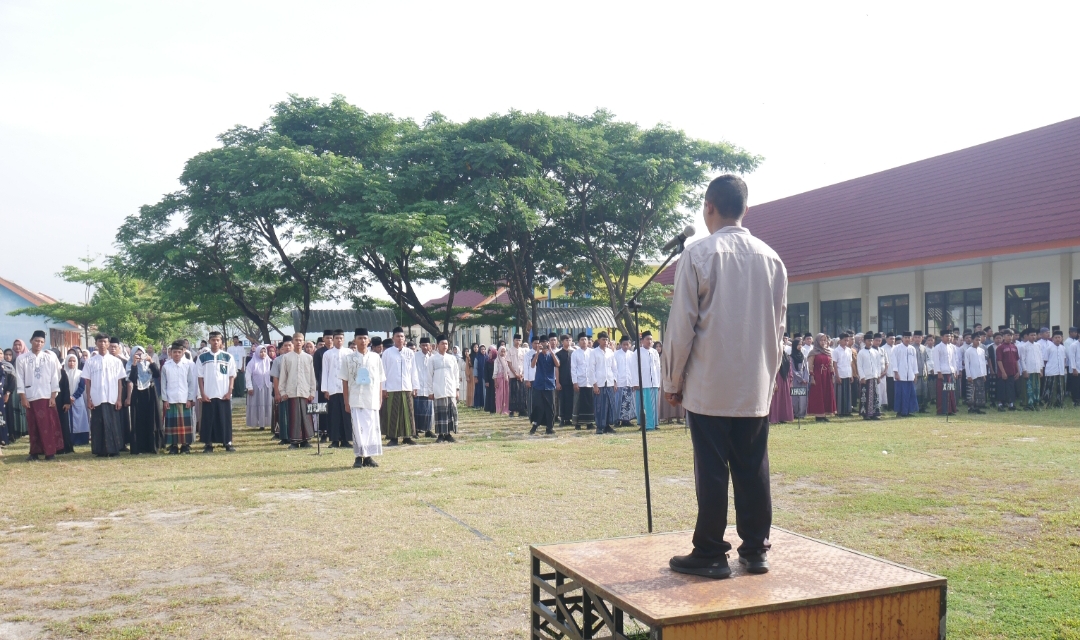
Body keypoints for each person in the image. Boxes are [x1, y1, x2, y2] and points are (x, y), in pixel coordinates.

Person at [664, 174, 787, 579]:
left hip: (708, 384)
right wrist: (766, 380)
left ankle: (711, 551)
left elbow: (682, 327)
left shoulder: (698, 256)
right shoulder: (772, 259)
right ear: (745, 209)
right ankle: (755, 549)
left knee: (712, 469)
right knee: (753, 467)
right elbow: (778, 330)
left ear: (708, 207)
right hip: (753, 384)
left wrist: (672, 381)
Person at [16, 330, 64, 461]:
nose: (39, 344)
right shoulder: (22, 359)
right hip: (30, 396)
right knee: (33, 425)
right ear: (31, 341)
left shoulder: (49, 357)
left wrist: (53, 396)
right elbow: (19, 378)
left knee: (48, 425)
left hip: (46, 395)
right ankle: (34, 453)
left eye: (42, 342)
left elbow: (55, 377)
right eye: (36, 341)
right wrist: (23, 397)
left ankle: (50, 453)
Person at [341, 328, 385, 467]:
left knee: (371, 428)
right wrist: (346, 401)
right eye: (359, 338)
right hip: (355, 397)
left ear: (369, 340)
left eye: (365, 338)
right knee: (358, 428)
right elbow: (345, 380)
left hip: (371, 397)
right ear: (355, 340)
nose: (362, 341)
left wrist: (380, 398)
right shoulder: (348, 358)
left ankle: (369, 457)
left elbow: (379, 380)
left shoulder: (375, 357)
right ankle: (358, 457)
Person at [83, 334, 127, 457]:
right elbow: (88, 381)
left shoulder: (116, 361)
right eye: (100, 341)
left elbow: (119, 381)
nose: (102, 344)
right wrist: (89, 399)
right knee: (98, 424)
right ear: (96, 343)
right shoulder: (90, 362)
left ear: (108, 344)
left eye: (105, 342)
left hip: (112, 398)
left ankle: (114, 449)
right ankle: (100, 450)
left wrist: (119, 399)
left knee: (113, 423)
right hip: (97, 398)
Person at [196, 331, 237, 452]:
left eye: (218, 340)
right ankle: (208, 444)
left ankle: (227, 442)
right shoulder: (202, 357)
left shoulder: (227, 357)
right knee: (209, 420)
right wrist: (202, 393)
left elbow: (232, 375)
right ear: (209, 341)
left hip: (223, 394)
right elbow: (200, 377)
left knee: (224, 420)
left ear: (221, 342)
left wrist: (229, 391)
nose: (215, 342)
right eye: (213, 340)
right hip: (208, 394)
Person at [278, 332, 317, 448]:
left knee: (306, 416)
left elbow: (311, 376)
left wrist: (312, 392)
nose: (299, 342)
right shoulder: (286, 357)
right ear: (293, 342)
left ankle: (306, 441)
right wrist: (283, 392)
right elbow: (283, 376)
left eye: (301, 340)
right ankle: (294, 441)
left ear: (303, 342)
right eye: (296, 340)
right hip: (292, 391)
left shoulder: (308, 358)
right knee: (294, 417)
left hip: (305, 391)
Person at [382, 327, 419, 446]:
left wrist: (415, 386)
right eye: (397, 336)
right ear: (393, 338)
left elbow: (414, 370)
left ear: (405, 338)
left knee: (408, 412)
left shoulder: (409, 353)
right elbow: (383, 371)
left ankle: (407, 436)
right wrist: (383, 388)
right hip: (392, 387)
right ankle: (393, 438)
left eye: (402, 336)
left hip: (407, 386)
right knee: (393, 413)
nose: (400, 338)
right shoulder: (387, 353)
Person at [160, 341, 199, 454]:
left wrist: (190, 398)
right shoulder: (166, 366)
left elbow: (191, 383)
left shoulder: (188, 365)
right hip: (171, 399)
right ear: (170, 353)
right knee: (172, 424)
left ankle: (185, 446)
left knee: (184, 424)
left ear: (183, 352)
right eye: (174, 352)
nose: (176, 354)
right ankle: (173, 446)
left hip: (184, 399)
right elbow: (163, 384)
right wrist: (165, 399)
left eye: (179, 352)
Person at [320, 329, 353, 448]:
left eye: (341, 338)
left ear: (344, 340)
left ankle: (346, 440)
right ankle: (334, 440)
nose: (339, 340)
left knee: (346, 415)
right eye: (337, 338)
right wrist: (325, 389)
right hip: (333, 388)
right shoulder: (327, 354)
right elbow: (325, 372)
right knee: (334, 416)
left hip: (346, 389)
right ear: (333, 340)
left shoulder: (349, 352)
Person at [128, 347, 162, 454]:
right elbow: (132, 379)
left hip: (150, 392)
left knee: (152, 418)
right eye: (136, 354)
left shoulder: (149, 364)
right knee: (138, 419)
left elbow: (157, 374)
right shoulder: (130, 365)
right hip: (137, 394)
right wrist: (134, 363)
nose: (139, 356)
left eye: (141, 354)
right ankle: (139, 447)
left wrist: (150, 361)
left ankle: (152, 445)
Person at [428, 335, 461, 442]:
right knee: (440, 413)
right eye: (442, 343)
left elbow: (456, 374)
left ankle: (448, 434)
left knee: (451, 412)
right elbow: (429, 376)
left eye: (446, 344)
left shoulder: (452, 358)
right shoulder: (432, 359)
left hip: (451, 389)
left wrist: (457, 389)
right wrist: (430, 391)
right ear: (437, 345)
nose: (445, 346)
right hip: (438, 389)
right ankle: (441, 435)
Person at [630, 331, 662, 431]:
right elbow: (634, 368)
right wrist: (635, 382)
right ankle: (647, 425)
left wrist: (658, 382)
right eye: (647, 339)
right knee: (646, 404)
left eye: (651, 339)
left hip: (654, 382)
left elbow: (657, 368)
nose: (649, 341)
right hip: (644, 382)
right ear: (642, 341)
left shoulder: (654, 352)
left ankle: (654, 424)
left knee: (654, 404)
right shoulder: (637, 352)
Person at [589, 332, 619, 435]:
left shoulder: (610, 352)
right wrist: (595, 384)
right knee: (600, 405)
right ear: (598, 340)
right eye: (603, 339)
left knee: (610, 404)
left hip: (609, 381)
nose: (605, 341)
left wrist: (615, 382)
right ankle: (599, 427)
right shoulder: (594, 352)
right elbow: (591, 369)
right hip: (600, 382)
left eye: (606, 340)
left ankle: (607, 425)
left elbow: (614, 368)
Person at [529, 336, 558, 435]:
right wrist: (537, 352)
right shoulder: (537, 355)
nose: (544, 345)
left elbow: (558, 364)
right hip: (539, 384)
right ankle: (535, 425)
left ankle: (549, 427)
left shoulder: (552, 355)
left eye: (546, 343)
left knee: (551, 407)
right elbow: (532, 365)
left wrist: (551, 350)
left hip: (550, 384)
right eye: (542, 343)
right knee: (539, 406)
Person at [57, 353, 86, 452]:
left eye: (74, 361)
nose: (72, 363)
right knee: (67, 421)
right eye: (69, 361)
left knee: (79, 420)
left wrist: (73, 397)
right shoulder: (62, 373)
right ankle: (69, 439)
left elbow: (82, 387)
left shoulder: (80, 373)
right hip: (65, 400)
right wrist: (67, 398)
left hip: (77, 399)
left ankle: (80, 439)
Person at [806, 334, 836, 422]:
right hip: (817, 375)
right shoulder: (813, 352)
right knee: (818, 395)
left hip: (826, 376)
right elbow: (810, 365)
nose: (823, 342)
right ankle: (818, 415)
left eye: (825, 340)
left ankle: (824, 414)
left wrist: (832, 374)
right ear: (817, 341)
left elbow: (830, 364)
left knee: (826, 394)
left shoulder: (828, 352)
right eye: (821, 340)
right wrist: (812, 377)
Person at [891, 332, 920, 417]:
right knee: (900, 394)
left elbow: (915, 362)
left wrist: (915, 374)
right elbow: (894, 361)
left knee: (910, 394)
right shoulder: (896, 348)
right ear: (902, 338)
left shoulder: (912, 349)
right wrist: (896, 373)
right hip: (900, 375)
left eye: (909, 337)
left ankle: (908, 411)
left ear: (911, 338)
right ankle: (900, 412)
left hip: (910, 375)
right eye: (905, 337)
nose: (907, 339)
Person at [656, 341, 685, 424]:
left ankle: (679, 417)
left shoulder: (678, 355)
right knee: (669, 397)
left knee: (678, 396)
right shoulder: (662, 357)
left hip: (676, 378)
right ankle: (668, 417)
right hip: (667, 379)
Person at [245, 345, 273, 430]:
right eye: (261, 352)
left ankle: (268, 423)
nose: (263, 354)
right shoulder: (252, 362)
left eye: (264, 352)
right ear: (257, 352)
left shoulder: (270, 361)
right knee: (257, 404)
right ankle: (258, 423)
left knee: (267, 404)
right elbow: (248, 375)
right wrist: (249, 387)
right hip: (256, 387)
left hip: (268, 386)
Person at [570, 333, 594, 429]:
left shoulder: (592, 352)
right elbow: (573, 369)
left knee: (590, 403)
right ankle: (578, 423)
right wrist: (575, 382)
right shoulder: (575, 353)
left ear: (588, 341)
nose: (584, 341)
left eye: (585, 339)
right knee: (578, 403)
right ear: (578, 342)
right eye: (582, 340)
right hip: (580, 381)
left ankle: (590, 423)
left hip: (590, 382)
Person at [413, 337, 436, 438]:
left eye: (427, 345)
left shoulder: (433, 357)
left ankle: (428, 430)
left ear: (430, 346)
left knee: (429, 411)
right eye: (423, 345)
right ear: (419, 346)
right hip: (418, 387)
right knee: (417, 410)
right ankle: (416, 430)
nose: (425, 347)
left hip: (429, 387)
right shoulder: (414, 356)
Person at [932, 331, 958, 415]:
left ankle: (951, 410)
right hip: (942, 372)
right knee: (943, 392)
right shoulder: (938, 347)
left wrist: (955, 371)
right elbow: (936, 361)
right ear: (942, 337)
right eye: (947, 336)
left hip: (950, 371)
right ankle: (942, 410)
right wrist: (938, 372)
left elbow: (954, 360)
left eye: (950, 336)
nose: (949, 338)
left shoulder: (952, 347)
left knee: (951, 391)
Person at [271, 339, 292, 444]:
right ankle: (284, 437)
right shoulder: (277, 360)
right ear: (282, 347)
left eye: (289, 345)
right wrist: (277, 393)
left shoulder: (298, 358)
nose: (287, 348)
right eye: (285, 346)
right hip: (283, 391)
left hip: (295, 392)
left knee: (294, 414)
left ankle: (296, 436)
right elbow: (275, 378)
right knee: (283, 415)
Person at [857, 332, 881, 420]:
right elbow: (859, 365)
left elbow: (878, 364)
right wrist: (862, 376)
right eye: (868, 340)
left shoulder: (875, 352)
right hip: (866, 377)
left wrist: (878, 375)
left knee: (875, 395)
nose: (870, 342)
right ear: (864, 341)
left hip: (874, 376)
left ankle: (874, 413)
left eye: (871, 340)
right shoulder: (861, 352)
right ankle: (866, 414)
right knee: (865, 395)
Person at [964, 332, 989, 414]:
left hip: (980, 374)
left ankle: (977, 407)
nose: (978, 341)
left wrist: (984, 374)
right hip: (972, 374)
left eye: (979, 340)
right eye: (976, 340)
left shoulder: (982, 350)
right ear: (972, 340)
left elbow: (983, 363)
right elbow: (967, 365)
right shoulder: (968, 351)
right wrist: (968, 375)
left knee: (979, 391)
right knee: (972, 392)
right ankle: (970, 407)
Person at [768, 345, 794, 424]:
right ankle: (774, 417)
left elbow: (789, 368)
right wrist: (773, 382)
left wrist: (791, 379)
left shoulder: (786, 356)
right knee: (776, 398)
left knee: (784, 398)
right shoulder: (773, 356)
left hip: (785, 379)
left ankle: (783, 417)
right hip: (776, 378)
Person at [615, 335, 637, 426]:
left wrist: (634, 382)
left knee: (628, 401)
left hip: (629, 381)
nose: (625, 346)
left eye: (627, 344)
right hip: (619, 382)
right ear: (620, 344)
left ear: (630, 344)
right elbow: (614, 369)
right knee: (618, 401)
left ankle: (626, 420)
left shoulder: (632, 355)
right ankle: (616, 420)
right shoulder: (615, 354)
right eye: (624, 344)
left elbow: (634, 369)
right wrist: (615, 382)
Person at [996, 329, 1020, 411]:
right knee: (1002, 388)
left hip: (1012, 371)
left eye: (1011, 335)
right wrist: (1003, 372)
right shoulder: (1000, 347)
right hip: (1003, 372)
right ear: (1003, 337)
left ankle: (1011, 404)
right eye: (1008, 335)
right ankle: (1000, 404)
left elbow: (1016, 360)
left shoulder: (1014, 347)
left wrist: (1018, 371)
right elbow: (999, 360)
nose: (1010, 337)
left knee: (1011, 388)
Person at [1043, 330, 1068, 408]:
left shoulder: (1063, 348)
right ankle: (1049, 403)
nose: (1057, 339)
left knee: (1060, 388)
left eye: (1059, 337)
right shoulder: (1049, 348)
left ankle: (1059, 403)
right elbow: (1045, 360)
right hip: (1051, 371)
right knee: (1050, 388)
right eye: (1056, 337)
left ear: (1061, 338)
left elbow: (1064, 359)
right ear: (1052, 338)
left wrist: (1063, 369)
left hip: (1060, 371)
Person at [554, 335, 575, 427]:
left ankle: (569, 418)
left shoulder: (574, 353)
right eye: (566, 340)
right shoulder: (558, 354)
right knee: (562, 400)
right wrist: (557, 382)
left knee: (571, 400)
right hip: (563, 380)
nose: (568, 342)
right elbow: (557, 369)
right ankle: (562, 418)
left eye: (570, 340)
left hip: (572, 381)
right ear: (562, 342)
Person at [832, 333, 854, 417]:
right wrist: (837, 376)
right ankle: (839, 411)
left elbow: (850, 363)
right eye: (845, 340)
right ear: (840, 340)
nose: (846, 342)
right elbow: (835, 364)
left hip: (847, 373)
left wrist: (851, 374)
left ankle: (847, 411)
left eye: (847, 340)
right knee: (840, 393)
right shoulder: (836, 351)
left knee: (847, 393)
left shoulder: (849, 350)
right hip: (840, 374)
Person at [789, 339, 810, 420]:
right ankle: (795, 413)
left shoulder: (803, 356)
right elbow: (792, 370)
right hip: (796, 380)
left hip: (804, 380)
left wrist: (805, 378)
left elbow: (806, 368)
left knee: (802, 397)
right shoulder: (791, 357)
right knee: (795, 397)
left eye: (801, 344)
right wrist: (800, 378)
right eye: (798, 344)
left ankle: (802, 413)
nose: (800, 346)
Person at [493, 345, 511, 415]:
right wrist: (495, 382)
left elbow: (508, 370)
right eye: (501, 351)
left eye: (504, 351)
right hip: (499, 379)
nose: (503, 353)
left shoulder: (507, 360)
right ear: (499, 352)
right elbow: (495, 372)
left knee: (506, 394)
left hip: (506, 379)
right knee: (500, 394)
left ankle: (506, 409)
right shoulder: (497, 360)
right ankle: (499, 409)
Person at [471, 344, 487, 409]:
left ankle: (485, 404)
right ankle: (478, 404)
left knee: (486, 391)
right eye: (481, 349)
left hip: (486, 376)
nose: (483, 350)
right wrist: (475, 377)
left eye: (484, 349)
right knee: (479, 390)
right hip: (479, 377)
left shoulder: (487, 357)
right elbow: (475, 368)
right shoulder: (477, 358)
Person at [483, 345, 497, 414]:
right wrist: (486, 381)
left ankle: (496, 408)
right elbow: (485, 372)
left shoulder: (497, 362)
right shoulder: (487, 361)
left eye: (491, 353)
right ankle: (490, 409)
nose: (490, 355)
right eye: (489, 353)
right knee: (490, 395)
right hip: (489, 381)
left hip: (496, 380)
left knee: (495, 395)